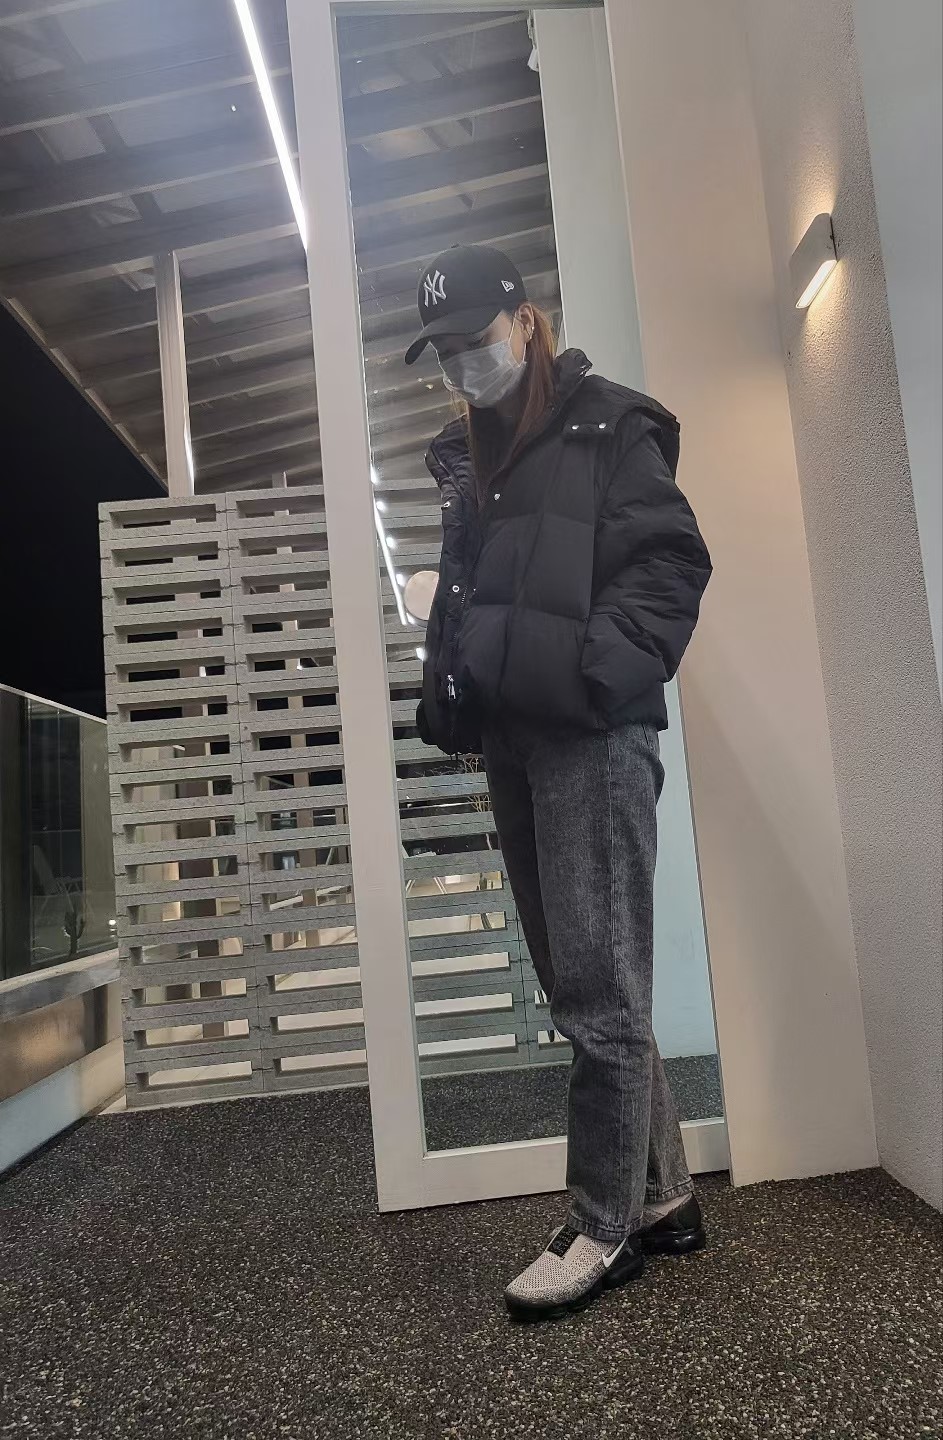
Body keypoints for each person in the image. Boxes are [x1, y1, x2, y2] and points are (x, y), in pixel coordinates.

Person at [405, 244, 713, 1322]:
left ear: (526, 321)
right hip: (514, 742)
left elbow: (672, 562)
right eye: (445, 351)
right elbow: (474, 598)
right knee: (584, 984)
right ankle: (663, 1196)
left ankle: (600, 1225)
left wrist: (592, 673)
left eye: (475, 339)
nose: (463, 363)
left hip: (589, 735)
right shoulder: (469, 454)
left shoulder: (608, 424)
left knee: (596, 990)